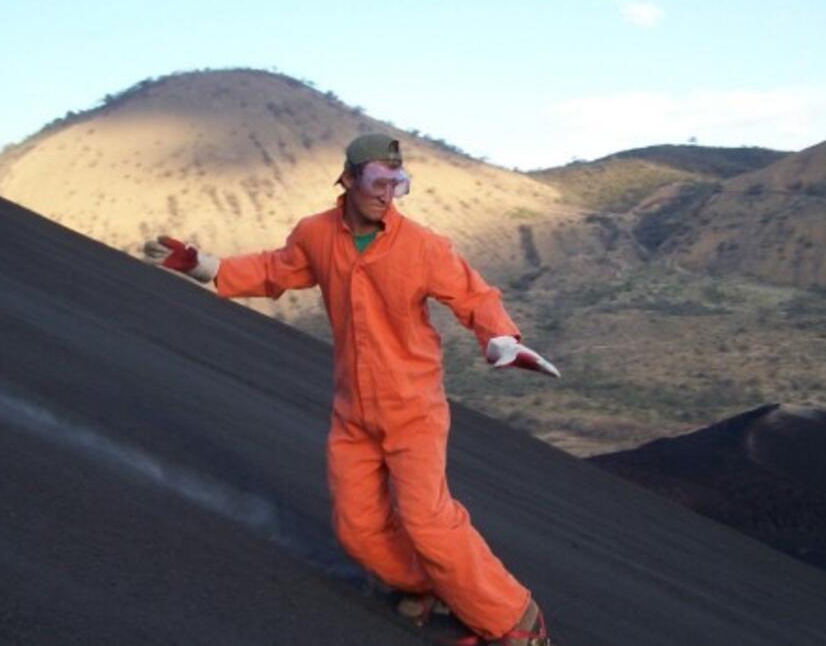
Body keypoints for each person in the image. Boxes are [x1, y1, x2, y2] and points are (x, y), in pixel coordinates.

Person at [143, 132, 559, 645]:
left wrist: (500, 338)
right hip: (353, 412)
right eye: (380, 182)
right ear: (349, 179)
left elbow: (474, 295)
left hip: (413, 409)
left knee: (428, 521)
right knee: (357, 528)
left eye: (398, 184)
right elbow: (276, 270)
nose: (389, 194)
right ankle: (429, 586)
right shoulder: (317, 235)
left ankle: (516, 621)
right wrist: (203, 265)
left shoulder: (424, 247)